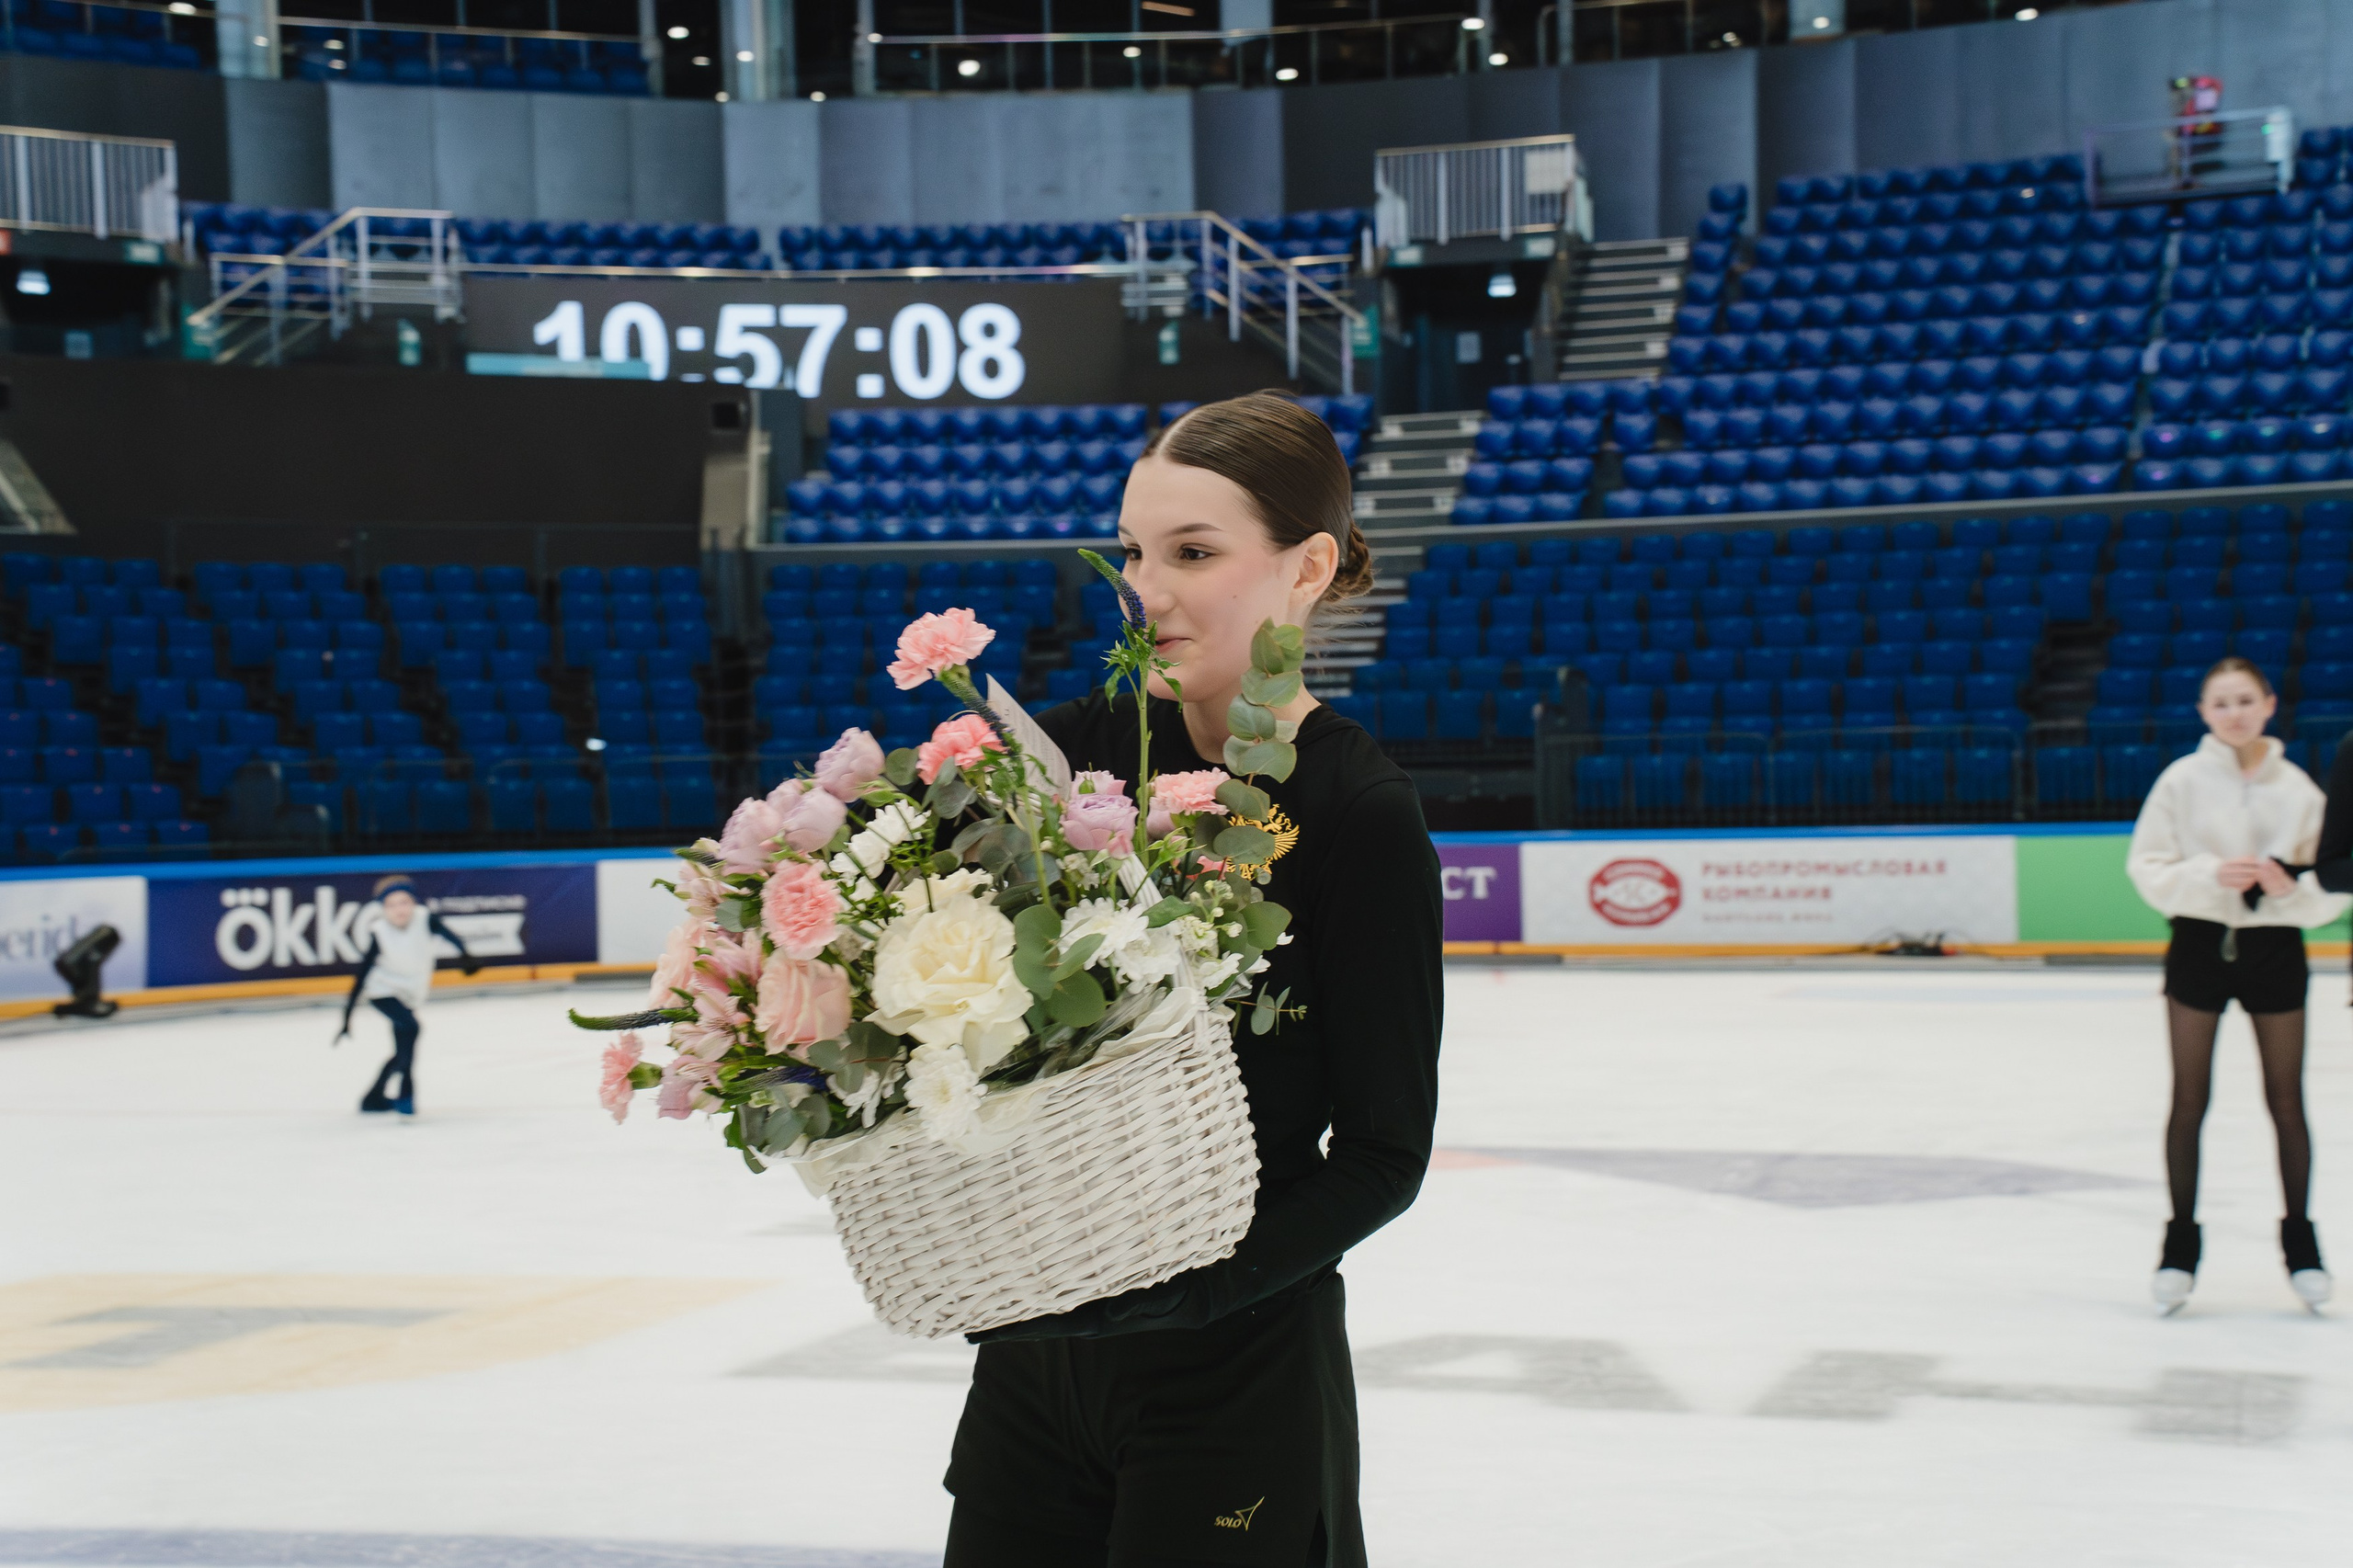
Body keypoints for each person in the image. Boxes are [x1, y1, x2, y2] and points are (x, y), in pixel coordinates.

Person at [939, 393, 1444, 1568]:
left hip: (1237, 1383)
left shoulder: (1358, 813)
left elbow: (1384, 1154)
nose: (1143, 588)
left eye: (1192, 552)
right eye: (1131, 551)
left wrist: (1198, 1292)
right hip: (1030, 1363)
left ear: (1306, 566)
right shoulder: (1062, 761)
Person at [2126, 657, 2343, 1314]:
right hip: (2197, 946)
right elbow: (2147, 866)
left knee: (2287, 1100)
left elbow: (2333, 887)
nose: (2235, 714)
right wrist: (2206, 876)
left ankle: (2302, 1247)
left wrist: (2291, 888)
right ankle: (2179, 1248)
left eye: (2246, 700)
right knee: (2189, 1100)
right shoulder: (2181, 781)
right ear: (2203, 712)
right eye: (2221, 703)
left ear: (2270, 705)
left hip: (2274, 950)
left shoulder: (2300, 790)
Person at [335, 874, 480, 1116]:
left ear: (413, 903)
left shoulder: (425, 920)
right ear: (383, 910)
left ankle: (372, 1098)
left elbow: (451, 936)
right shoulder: (379, 932)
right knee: (411, 1027)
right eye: (391, 905)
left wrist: (466, 956)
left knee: (403, 1048)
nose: (399, 909)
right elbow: (362, 975)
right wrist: (346, 1017)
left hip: (410, 994)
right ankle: (407, 1092)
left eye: (404, 902)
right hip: (382, 993)